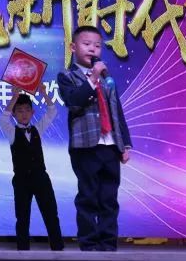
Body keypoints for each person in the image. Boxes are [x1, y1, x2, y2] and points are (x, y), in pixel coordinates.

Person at [57, 25, 132, 251]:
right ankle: (88, 244)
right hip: (85, 147)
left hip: (110, 145)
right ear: (73, 47)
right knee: (88, 196)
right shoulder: (67, 76)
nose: (93, 49)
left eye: (97, 46)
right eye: (87, 44)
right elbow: (74, 102)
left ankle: (108, 244)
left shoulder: (108, 79)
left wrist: (125, 144)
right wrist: (93, 77)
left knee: (109, 198)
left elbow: (117, 110)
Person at [0, 82, 64, 251]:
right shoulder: (11, 132)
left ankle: (58, 249)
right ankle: (22, 251)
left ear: (32, 112)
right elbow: (3, 118)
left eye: (27, 110)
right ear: (14, 114)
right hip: (21, 180)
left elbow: (52, 111)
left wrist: (44, 93)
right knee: (22, 217)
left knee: (51, 214)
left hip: (41, 178)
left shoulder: (37, 129)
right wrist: (14, 96)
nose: (24, 114)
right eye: (19, 111)